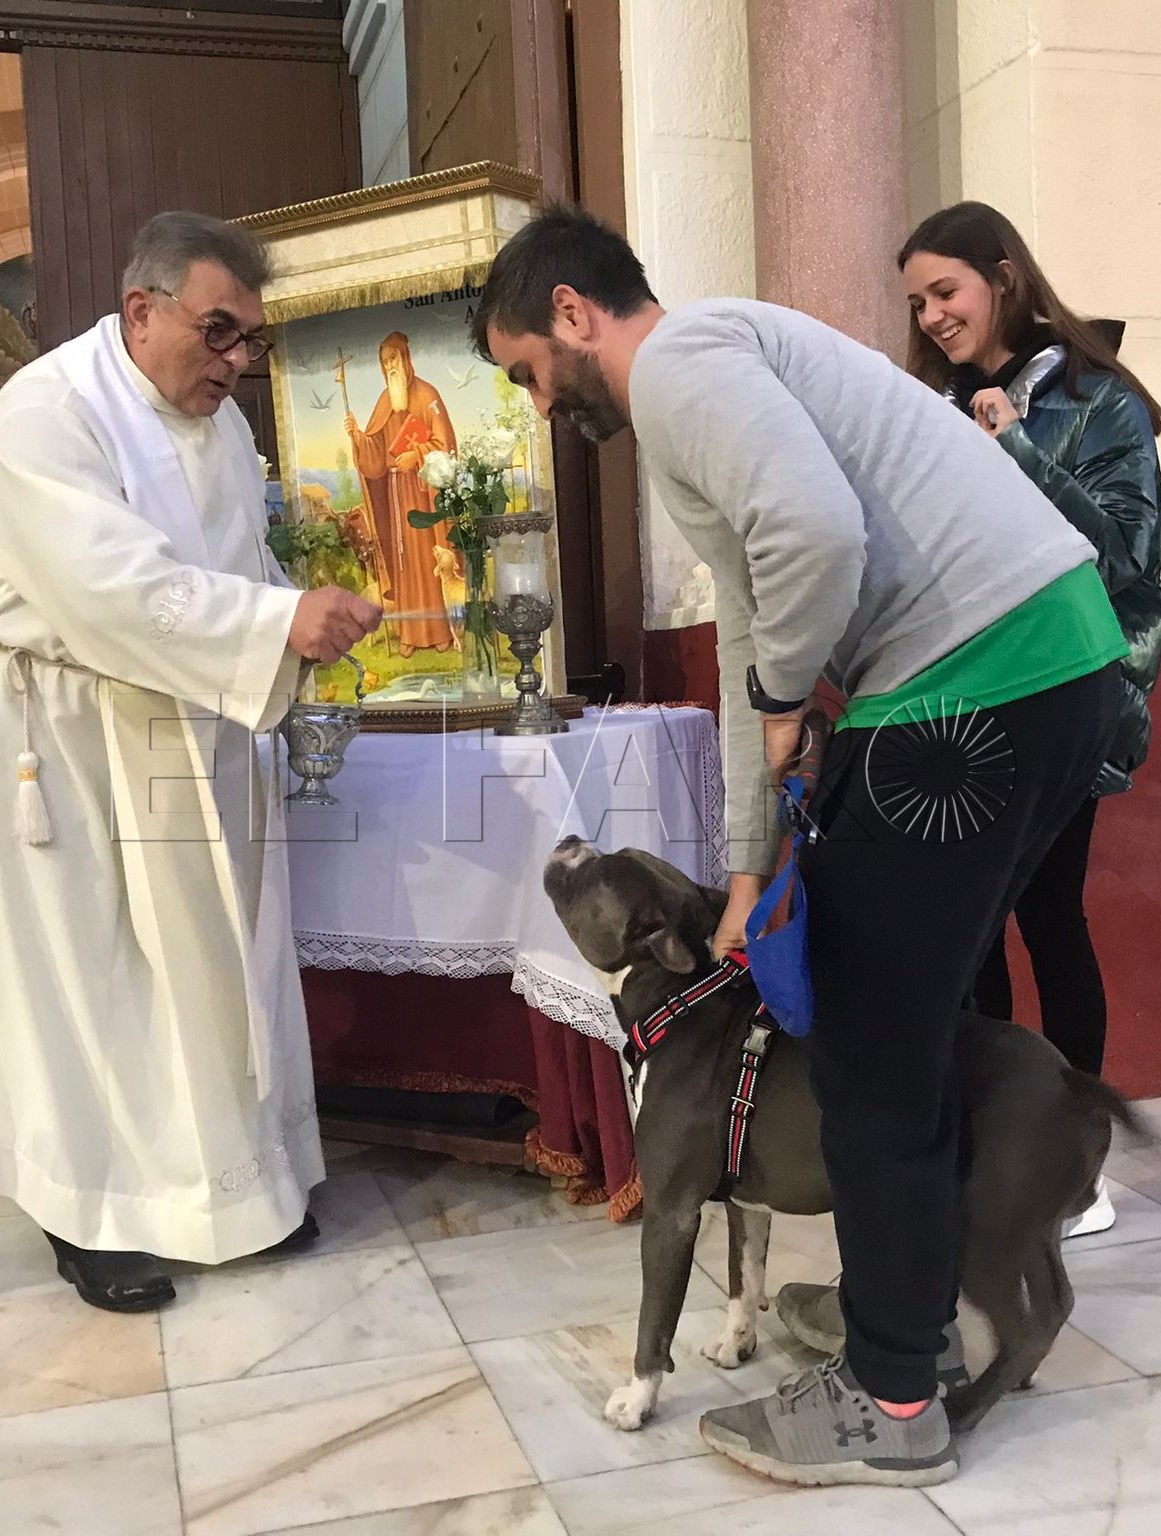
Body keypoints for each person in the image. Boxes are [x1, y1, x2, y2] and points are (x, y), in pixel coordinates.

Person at [473, 206, 1125, 1488]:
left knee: (873, 1043)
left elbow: (813, 545)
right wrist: (744, 869)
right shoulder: (703, 389)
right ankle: (914, 1309)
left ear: (568, 313)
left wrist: (784, 697)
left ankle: (890, 1398)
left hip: (969, 684)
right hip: (1039, 666)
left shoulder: (682, 364)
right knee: (910, 1019)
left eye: (523, 371)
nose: (537, 402)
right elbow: (744, 655)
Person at [0, 211, 381, 1312]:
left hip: (174, 717)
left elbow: (236, 559)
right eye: (219, 334)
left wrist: (289, 619)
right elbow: (105, 585)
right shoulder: (47, 414)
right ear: (140, 310)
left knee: (202, 957)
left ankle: (225, 1192)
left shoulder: (218, 431)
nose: (236, 365)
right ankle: (88, 1214)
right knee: (84, 969)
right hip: (51, 727)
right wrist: (272, 627)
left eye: (251, 343)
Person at [899, 201, 1161, 1239]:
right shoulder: (930, 402)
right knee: (967, 934)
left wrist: (1014, 447)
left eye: (944, 291)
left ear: (1002, 276)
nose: (928, 315)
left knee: (1049, 921)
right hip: (958, 700)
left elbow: (1124, 560)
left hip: (1066, 696)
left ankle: (1072, 1164)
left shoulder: (1096, 402)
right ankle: (990, 1141)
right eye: (916, 301)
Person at [346, 332, 457, 655]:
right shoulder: (385, 402)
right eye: (384, 362)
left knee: (427, 558)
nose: (389, 366)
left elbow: (445, 443)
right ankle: (409, 634)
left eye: (393, 359)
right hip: (396, 495)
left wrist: (418, 455)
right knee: (404, 560)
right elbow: (376, 456)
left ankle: (439, 633)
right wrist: (357, 436)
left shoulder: (427, 395)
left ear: (406, 359)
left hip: (424, 494)